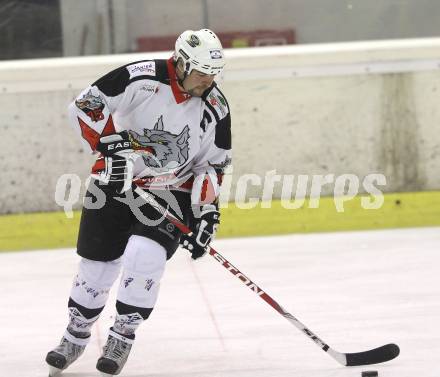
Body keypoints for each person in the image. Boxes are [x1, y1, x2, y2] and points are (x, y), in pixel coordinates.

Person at [45, 28, 231, 377]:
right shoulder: (140, 76)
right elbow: (84, 108)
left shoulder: (215, 106)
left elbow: (214, 164)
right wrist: (111, 150)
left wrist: (206, 212)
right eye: (201, 74)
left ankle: (122, 335)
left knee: (143, 255)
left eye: (213, 75)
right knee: (96, 267)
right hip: (112, 183)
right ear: (180, 63)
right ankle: (75, 334)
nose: (208, 82)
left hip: (171, 190)